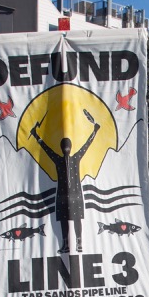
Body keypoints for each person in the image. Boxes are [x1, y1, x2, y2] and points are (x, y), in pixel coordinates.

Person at [32, 109, 100, 254]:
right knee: (76, 219)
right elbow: (87, 145)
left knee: (66, 220)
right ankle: (77, 243)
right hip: (74, 194)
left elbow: (45, 148)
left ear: (62, 148)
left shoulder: (59, 159)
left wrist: (36, 135)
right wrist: (95, 131)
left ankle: (67, 244)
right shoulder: (75, 158)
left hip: (63, 195)